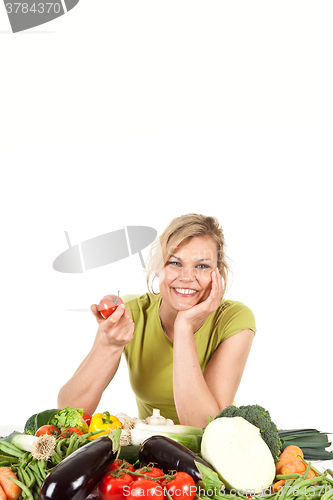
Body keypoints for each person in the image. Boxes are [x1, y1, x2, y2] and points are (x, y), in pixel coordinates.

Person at [57, 213, 256, 428]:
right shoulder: (131, 314)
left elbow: (205, 426)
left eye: (202, 266)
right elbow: (69, 413)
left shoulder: (234, 319)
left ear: (219, 272)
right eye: (175, 263)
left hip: (212, 453)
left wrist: (184, 327)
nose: (187, 277)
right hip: (151, 453)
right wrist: (109, 345)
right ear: (158, 268)